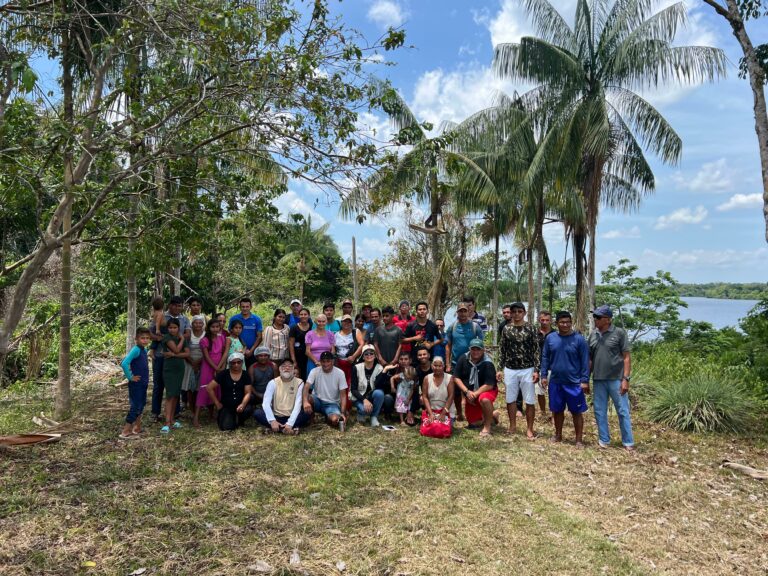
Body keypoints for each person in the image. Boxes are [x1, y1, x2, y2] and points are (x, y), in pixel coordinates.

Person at [588, 305, 635, 451]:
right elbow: (590, 360)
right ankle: (603, 439)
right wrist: (585, 379)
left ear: (608, 320)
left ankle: (628, 442)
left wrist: (625, 379)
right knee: (599, 410)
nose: (595, 319)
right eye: (594, 317)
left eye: (598, 317)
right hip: (598, 380)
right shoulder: (592, 335)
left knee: (622, 411)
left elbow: (626, 357)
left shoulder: (619, 333)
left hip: (616, 379)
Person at [540, 311, 590, 447]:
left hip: (574, 383)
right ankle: (558, 435)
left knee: (576, 412)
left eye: (568, 322)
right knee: (557, 410)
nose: (565, 325)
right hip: (556, 381)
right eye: (562, 322)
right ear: (556, 324)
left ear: (571, 322)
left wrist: (585, 380)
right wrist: (543, 375)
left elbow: (585, 361)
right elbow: (545, 357)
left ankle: (578, 439)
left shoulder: (579, 339)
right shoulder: (551, 338)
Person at [498, 302, 540, 439]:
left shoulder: (531, 328)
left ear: (524, 313)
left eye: (519, 311)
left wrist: (536, 370)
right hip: (510, 369)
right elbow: (502, 349)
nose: (516, 314)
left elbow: (536, 350)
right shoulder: (506, 329)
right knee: (510, 399)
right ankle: (512, 426)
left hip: (527, 368)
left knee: (529, 400)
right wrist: (499, 368)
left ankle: (529, 429)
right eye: (514, 311)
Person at [149, 295, 190, 422]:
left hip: (176, 358)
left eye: (180, 306)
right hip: (161, 356)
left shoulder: (184, 319)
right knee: (158, 385)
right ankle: (155, 413)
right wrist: (159, 338)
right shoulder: (161, 315)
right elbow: (150, 332)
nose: (178, 308)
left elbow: (188, 333)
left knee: (175, 386)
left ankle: (175, 413)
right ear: (170, 305)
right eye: (175, 305)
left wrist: (179, 337)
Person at [454, 339, 500, 437]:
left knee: (484, 400)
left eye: (478, 349)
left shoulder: (488, 363)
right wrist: (467, 392)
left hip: (487, 390)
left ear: (483, 350)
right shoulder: (463, 358)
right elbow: (456, 377)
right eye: (473, 349)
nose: (476, 352)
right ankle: (492, 416)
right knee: (473, 423)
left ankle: (487, 427)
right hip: (470, 391)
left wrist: (474, 394)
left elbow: (489, 384)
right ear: (469, 349)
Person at [445, 302, 483, 420]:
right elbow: (448, 346)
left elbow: (481, 346)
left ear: (469, 311)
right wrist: (447, 364)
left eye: (464, 311)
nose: (462, 313)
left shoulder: (475, 327)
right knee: (456, 391)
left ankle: (473, 413)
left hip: (472, 363)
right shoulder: (452, 327)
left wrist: (481, 361)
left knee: (472, 389)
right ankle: (459, 413)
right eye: (460, 311)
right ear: (457, 312)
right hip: (456, 363)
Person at [254, 358, 311, 434]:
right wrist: (272, 420)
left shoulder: (299, 382)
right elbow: (266, 403)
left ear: (293, 369)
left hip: (292, 416)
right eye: (284, 366)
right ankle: (286, 429)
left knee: (307, 413)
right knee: (257, 413)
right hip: (276, 416)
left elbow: (298, 404)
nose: (287, 368)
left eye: (290, 366)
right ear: (279, 369)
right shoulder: (273, 382)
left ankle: (277, 429)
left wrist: (290, 423)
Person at [205, 352, 254, 431]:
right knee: (227, 428)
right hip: (226, 405)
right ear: (229, 363)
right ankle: (232, 418)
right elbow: (209, 388)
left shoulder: (245, 374)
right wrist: (217, 403)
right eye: (233, 363)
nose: (236, 365)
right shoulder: (223, 374)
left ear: (242, 362)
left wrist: (243, 404)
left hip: (240, 404)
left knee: (248, 409)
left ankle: (240, 420)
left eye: (239, 362)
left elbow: (248, 392)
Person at [119, 327, 152, 439]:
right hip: (136, 384)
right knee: (135, 406)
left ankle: (137, 427)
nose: (145, 340)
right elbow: (124, 363)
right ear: (136, 339)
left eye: (147, 338)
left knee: (141, 405)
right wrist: (130, 377)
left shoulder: (143, 350)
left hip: (143, 383)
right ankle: (126, 431)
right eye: (142, 338)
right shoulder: (136, 349)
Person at [194, 318, 227, 428]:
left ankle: (211, 415)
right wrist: (215, 368)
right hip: (208, 367)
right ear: (208, 328)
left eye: (217, 327)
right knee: (204, 389)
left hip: (219, 366)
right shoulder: (204, 340)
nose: (215, 329)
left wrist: (220, 367)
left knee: (216, 389)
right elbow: (206, 357)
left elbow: (223, 353)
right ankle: (196, 419)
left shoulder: (222, 338)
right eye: (213, 327)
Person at [304, 351, 348, 429]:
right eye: (323, 361)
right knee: (307, 398)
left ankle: (328, 417)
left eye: (328, 361)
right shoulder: (315, 371)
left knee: (335, 421)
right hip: (317, 400)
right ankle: (311, 418)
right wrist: (305, 402)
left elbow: (343, 395)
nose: (325, 364)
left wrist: (342, 413)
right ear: (320, 362)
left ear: (333, 361)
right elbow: (306, 387)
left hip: (332, 404)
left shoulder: (340, 373)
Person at [160, 318, 189, 433]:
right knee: (169, 395)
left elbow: (187, 353)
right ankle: (167, 422)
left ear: (179, 328)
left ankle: (172, 420)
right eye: (170, 328)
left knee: (176, 394)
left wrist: (173, 354)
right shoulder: (167, 337)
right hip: (170, 369)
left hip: (180, 368)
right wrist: (182, 339)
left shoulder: (180, 338)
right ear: (168, 328)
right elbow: (177, 350)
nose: (172, 330)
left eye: (175, 327)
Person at [350, 344, 387, 427]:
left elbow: (378, 386)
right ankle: (361, 413)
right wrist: (364, 400)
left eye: (371, 353)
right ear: (363, 356)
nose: (369, 355)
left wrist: (384, 371)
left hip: (371, 396)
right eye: (366, 354)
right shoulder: (356, 367)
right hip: (359, 397)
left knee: (379, 393)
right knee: (364, 410)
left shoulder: (379, 368)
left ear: (375, 355)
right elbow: (353, 389)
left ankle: (374, 417)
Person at [420, 356, 454, 438]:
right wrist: (430, 414)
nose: (437, 368)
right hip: (432, 410)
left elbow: (451, 396)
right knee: (427, 429)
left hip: (446, 411)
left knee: (442, 430)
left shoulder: (449, 378)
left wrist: (443, 413)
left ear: (443, 366)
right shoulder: (427, 378)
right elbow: (425, 397)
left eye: (440, 366)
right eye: (435, 365)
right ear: (432, 366)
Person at [228, 297, 263, 368]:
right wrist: (241, 349)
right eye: (243, 307)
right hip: (236, 352)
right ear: (240, 307)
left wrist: (251, 351)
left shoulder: (256, 319)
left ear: (251, 307)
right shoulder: (234, 318)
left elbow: (259, 337)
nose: (245, 309)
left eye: (247, 306)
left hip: (251, 352)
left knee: (251, 373)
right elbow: (230, 334)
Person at [182, 314, 206, 412]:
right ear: (192, 324)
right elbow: (184, 349)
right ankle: (191, 408)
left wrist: (198, 363)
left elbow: (207, 352)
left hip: (203, 363)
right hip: (188, 362)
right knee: (189, 387)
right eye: (196, 322)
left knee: (199, 387)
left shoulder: (206, 334)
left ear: (203, 324)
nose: (198, 325)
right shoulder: (188, 335)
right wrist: (193, 363)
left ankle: (198, 407)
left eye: (200, 323)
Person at [536, 310, 554, 416]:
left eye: (547, 320)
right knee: (539, 391)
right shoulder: (535, 333)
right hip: (538, 366)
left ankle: (554, 413)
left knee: (553, 391)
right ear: (539, 320)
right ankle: (543, 412)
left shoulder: (556, 334)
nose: (545, 322)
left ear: (550, 321)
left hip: (553, 366)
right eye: (542, 320)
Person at [334, 314, 360, 385]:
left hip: (351, 362)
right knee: (340, 382)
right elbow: (333, 348)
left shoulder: (355, 332)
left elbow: (361, 345)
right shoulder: (336, 335)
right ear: (341, 322)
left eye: (349, 322)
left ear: (351, 323)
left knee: (350, 382)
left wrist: (354, 356)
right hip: (339, 362)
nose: (347, 323)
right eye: (345, 321)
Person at [289, 307, 313, 380]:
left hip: (310, 356)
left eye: (305, 314)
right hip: (298, 356)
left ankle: (308, 390)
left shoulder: (312, 326)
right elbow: (291, 344)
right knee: (298, 376)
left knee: (309, 375)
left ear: (309, 316)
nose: (303, 316)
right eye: (301, 314)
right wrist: (293, 359)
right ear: (299, 316)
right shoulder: (294, 328)